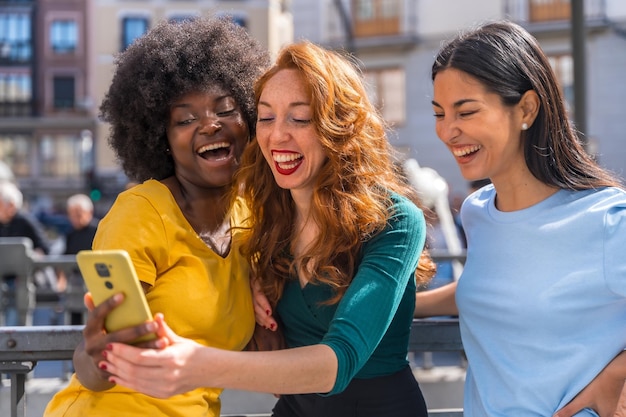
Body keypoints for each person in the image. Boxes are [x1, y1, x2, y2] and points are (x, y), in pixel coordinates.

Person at [96, 41, 436, 417]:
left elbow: (336, 364)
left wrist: (196, 365)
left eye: (300, 118)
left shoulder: (396, 219)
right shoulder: (265, 219)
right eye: (267, 117)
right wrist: (253, 283)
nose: (277, 135)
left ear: (339, 126)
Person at [44, 16, 270, 417]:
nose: (209, 124)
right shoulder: (142, 212)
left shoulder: (251, 218)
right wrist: (97, 359)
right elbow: (92, 358)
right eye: (184, 120)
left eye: (226, 110)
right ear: (160, 139)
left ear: (249, 121)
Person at [414, 20, 626, 417]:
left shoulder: (607, 219)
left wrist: (617, 377)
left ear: (526, 108)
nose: (448, 131)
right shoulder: (478, 213)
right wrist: (392, 304)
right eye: (440, 113)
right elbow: (498, 290)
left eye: (466, 111)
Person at [0, 180, 52, 325]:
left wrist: (33, 257)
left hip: (22, 282)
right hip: (3, 279)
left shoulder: (25, 221)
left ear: (11, 205)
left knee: (15, 320)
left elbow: (45, 248)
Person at [55, 193, 99, 324]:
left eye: (79, 213)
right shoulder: (70, 234)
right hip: (75, 282)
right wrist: (61, 281)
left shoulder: (99, 230)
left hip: (94, 281)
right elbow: (63, 258)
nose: (75, 218)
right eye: (72, 214)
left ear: (89, 212)